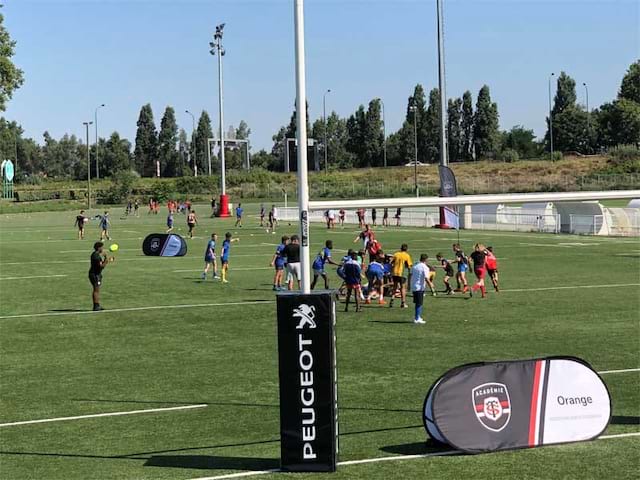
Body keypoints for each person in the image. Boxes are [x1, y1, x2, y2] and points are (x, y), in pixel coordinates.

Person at [89, 241, 114, 311]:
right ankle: (96, 306)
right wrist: (106, 258)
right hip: (95, 275)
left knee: (97, 289)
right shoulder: (96, 256)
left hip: (96, 274)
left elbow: (100, 264)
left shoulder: (96, 255)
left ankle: (97, 305)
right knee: (96, 290)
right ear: (99, 248)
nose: (103, 249)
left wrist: (108, 260)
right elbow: (101, 266)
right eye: (102, 247)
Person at [389, 243, 412, 309]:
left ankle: (392, 300)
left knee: (395, 287)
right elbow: (409, 265)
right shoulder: (407, 256)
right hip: (402, 273)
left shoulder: (396, 254)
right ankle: (403, 303)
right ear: (406, 249)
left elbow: (391, 262)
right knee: (402, 288)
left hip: (395, 273)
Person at [409, 254, 429, 324]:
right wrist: (431, 285)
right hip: (420, 287)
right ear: (426, 260)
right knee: (419, 303)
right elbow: (426, 278)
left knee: (417, 303)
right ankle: (417, 318)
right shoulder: (425, 267)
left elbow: (410, 274)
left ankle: (418, 316)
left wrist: (409, 284)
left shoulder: (415, 265)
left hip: (414, 286)